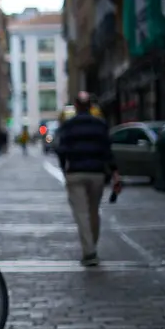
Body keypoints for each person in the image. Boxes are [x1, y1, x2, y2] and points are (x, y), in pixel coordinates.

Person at [56, 91, 119, 266]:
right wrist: (114, 171)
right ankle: (91, 247)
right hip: (96, 174)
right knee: (93, 212)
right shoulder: (100, 125)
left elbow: (61, 149)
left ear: (76, 106)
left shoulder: (69, 126)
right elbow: (107, 151)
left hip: (76, 173)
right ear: (90, 106)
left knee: (82, 213)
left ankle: (89, 252)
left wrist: (64, 168)